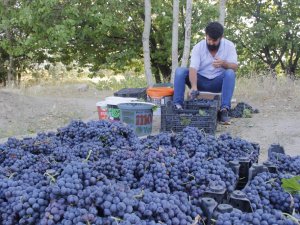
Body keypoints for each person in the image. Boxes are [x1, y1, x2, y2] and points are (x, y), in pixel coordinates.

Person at [173, 21, 238, 125]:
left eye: (214, 40)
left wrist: (224, 63)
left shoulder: (229, 46)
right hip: (200, 82)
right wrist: (194, 87)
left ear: (221, 37)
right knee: (180, 71)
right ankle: (178, 107)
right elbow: (193, 68)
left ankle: (224, 110)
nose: (211, 42)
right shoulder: (198, 47)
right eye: (209, 39)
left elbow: (235, 67)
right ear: (205, 36)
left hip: (217, 82)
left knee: (230, 73)